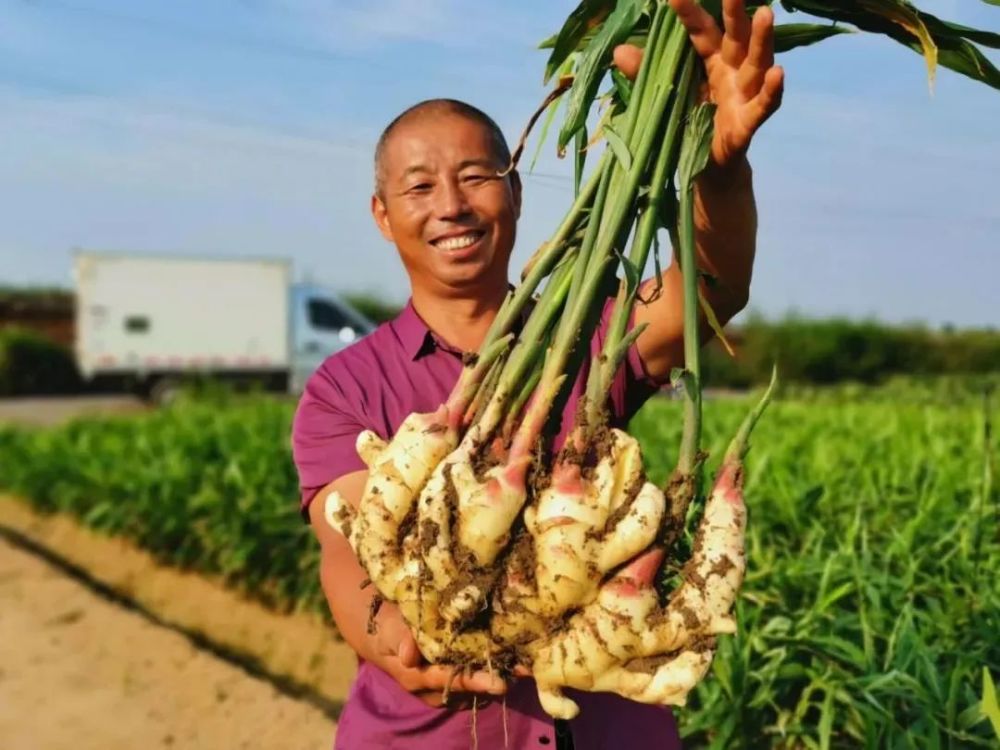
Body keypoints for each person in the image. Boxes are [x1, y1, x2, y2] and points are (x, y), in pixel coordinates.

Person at [292, 1, 784, 747]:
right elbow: (352, 547)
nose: (452, 205)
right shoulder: (346, 387)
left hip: (607, 721)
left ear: (516, 193)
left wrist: (719, 168)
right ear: (382, 215)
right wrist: (391, 633)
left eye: (476, 176)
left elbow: (713, 287)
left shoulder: (596, 333)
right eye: (420, 187)